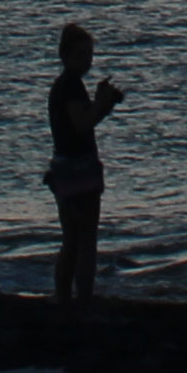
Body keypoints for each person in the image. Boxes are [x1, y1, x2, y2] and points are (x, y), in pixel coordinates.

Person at [42, 20, 129, 305]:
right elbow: (82, 125)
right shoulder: (71, 86)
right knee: (85, 241)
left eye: (90, 54)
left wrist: (103, 104)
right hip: (78, 170)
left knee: (71, 240)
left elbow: (82, 121)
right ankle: (82, 300)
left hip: (64, 167)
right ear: (65, 55)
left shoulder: (64, 85)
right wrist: (102, 104)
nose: (87, 60)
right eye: (81, 54)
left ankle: (63, 299)